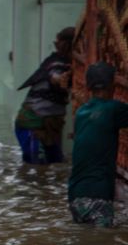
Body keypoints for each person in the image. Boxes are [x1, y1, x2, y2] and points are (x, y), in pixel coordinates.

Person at [68, 61, 128, 227]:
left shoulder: (81, 113)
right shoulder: (113, 109)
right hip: (98, 194)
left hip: (75, 195)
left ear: (88, 88)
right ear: (113, 86)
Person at [14, 27, 74, 164]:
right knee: (37, 167)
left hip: (48, 125)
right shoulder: (57, 64)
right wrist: (60, 79)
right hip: (34, 125)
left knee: (54, 163)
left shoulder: (61, 62)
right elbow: (54, 76)